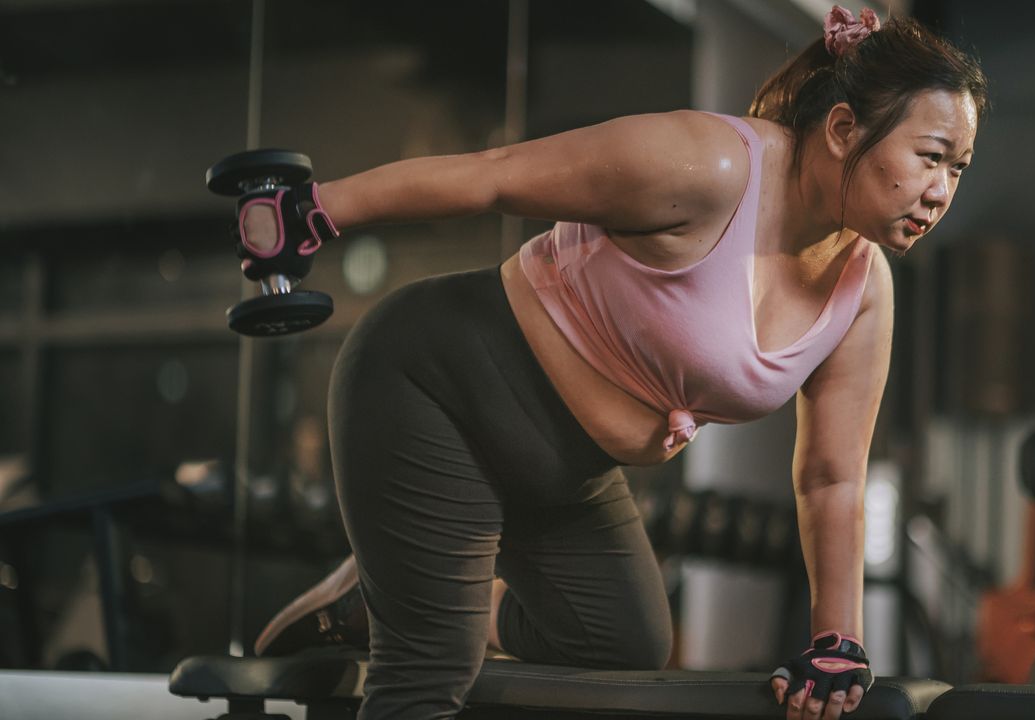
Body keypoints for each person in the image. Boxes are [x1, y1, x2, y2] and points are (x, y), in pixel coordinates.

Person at [239, 6, 986, 719]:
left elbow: (832, 477)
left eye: (958, 168)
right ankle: (416, 609)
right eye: (929, 158)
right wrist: (311, 211)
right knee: (431, 666)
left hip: (569, 469)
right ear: (844, 127)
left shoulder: (863, 290)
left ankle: (373, 600)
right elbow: (493, 175)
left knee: (622, 645)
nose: (941, 192)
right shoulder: (710, 166)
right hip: (439, 383)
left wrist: (838, 642)